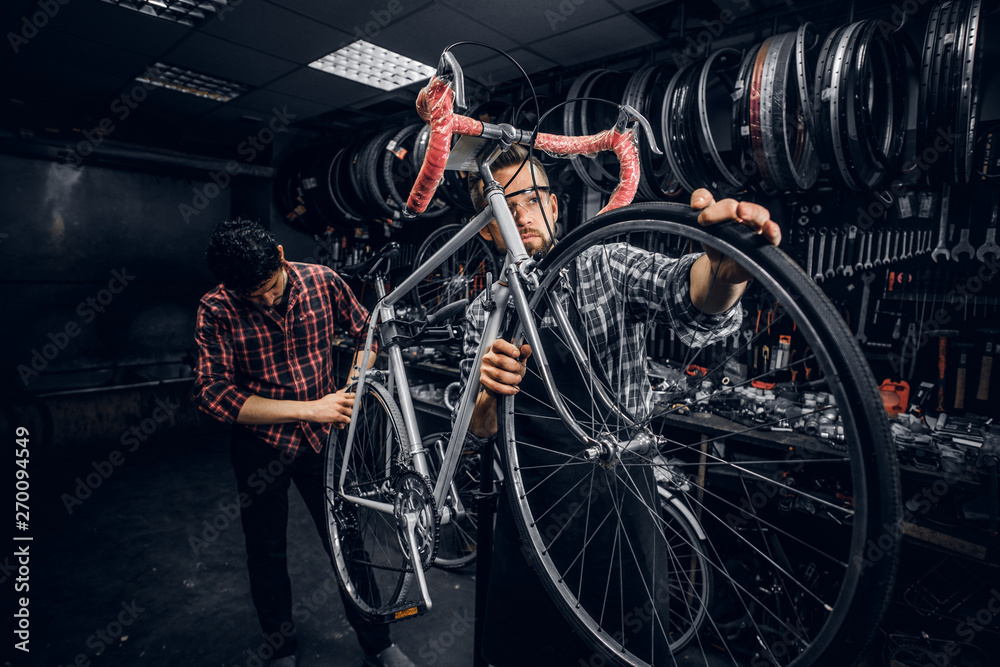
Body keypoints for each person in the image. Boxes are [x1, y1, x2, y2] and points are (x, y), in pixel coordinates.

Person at [458, 145, 781, 665]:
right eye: (504, 207)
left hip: (620, 500)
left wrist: (723, 274)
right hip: (530, 505)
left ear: (556, 206)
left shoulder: (601, 264)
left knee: (628, 646)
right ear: (489, 230)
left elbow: (686, 293)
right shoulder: (484, 315)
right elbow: (477, 433)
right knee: (528, 650)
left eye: (532, 197)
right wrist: (487, 397)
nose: (522, 214)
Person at [193, 219, 414, 667]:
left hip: (323, 444)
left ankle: (378, 643)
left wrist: (350, 389)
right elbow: (211, 394)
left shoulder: (322, 281)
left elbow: (366, 335)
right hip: (260, 445)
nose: (267, 300)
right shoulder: (216, 308)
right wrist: (310, 407)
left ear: (279, 255)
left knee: (348, 542)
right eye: (252, 297)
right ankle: (280, 648)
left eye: (270, 288)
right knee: (266, 550)